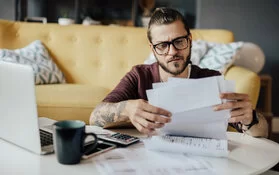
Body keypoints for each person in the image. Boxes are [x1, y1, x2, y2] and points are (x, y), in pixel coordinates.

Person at [90, 7, 268, 137]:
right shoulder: (138, 76)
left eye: (179, 41)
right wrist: (126, 108)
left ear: (190, 40)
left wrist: (250, 117)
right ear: (153, 49)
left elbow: (262, 133)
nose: (172, 51)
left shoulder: (211, 79)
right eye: (162, 45)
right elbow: (95, 118)